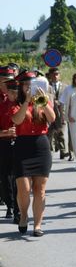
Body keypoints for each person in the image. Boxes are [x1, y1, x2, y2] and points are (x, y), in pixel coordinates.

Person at [10, 70, 56, 237]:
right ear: (21, 87)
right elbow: (16, 120)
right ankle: (23, 215)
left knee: (40, 189)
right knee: (24, 188)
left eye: (32, 85)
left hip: (41, 146)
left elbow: (52, 119)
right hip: (22, 146)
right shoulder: (16, 102)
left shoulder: (42, 101)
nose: (29, 88)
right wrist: (27, 102)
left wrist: (43, 102)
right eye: (26, 85)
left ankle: (37, 225)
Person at [0, 71, 18, 221]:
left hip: (21, 143)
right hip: (4, 143)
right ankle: (10, 205)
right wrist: (5, 132)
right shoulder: (2, 105)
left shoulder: (21, 103)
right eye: (5, 81)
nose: (7, 85)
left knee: (18, 176)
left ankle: (18, 207)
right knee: (5, 176)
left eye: (10, 82)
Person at [47, 67, 70, 160]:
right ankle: (49, 153)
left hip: (61, 113)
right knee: (50, 134)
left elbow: (68, 100)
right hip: (50, 112)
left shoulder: (65, 87)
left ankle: (64, 152)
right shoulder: (47, 86)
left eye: (57, 74)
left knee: (63, 133)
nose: (55, 76)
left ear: (59, 75)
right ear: (50, 76)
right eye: (53, 74)